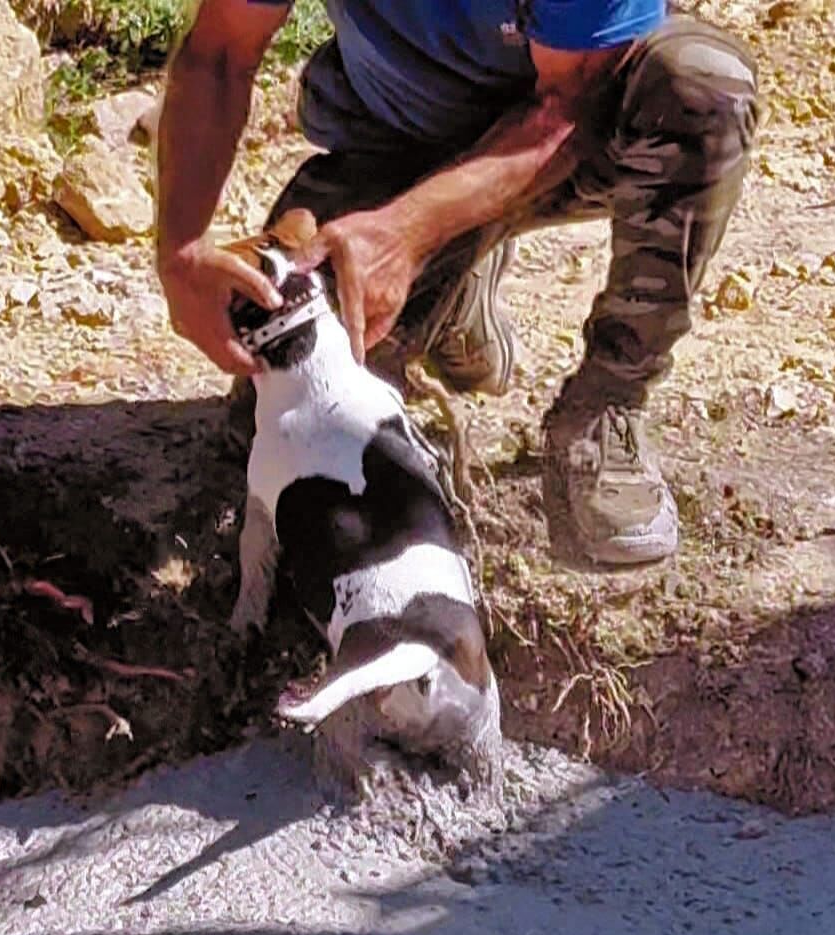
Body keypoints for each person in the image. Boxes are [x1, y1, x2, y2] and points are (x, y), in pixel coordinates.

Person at [154, 0, 759, 566]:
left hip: (578, 127)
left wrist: (405, 235)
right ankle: (454, 286)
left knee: (701, 86)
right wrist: (181, 251)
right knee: (289, 427)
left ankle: (607, 402)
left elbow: (568, 107)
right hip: (399, 144)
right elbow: (221, 52)